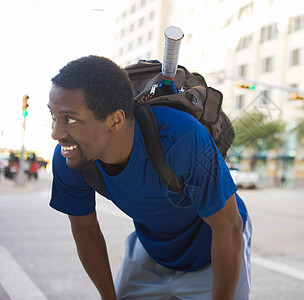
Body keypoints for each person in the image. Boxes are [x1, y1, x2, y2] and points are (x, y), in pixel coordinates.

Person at [48, 55, 251, 300]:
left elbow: (228, 227)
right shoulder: (71, 157)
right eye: (53, 116)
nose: (56, 133)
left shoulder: (180, 136)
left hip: (214, 255)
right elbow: (85, 230)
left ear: (115, 120)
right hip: (152, 251)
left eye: (70, 119)